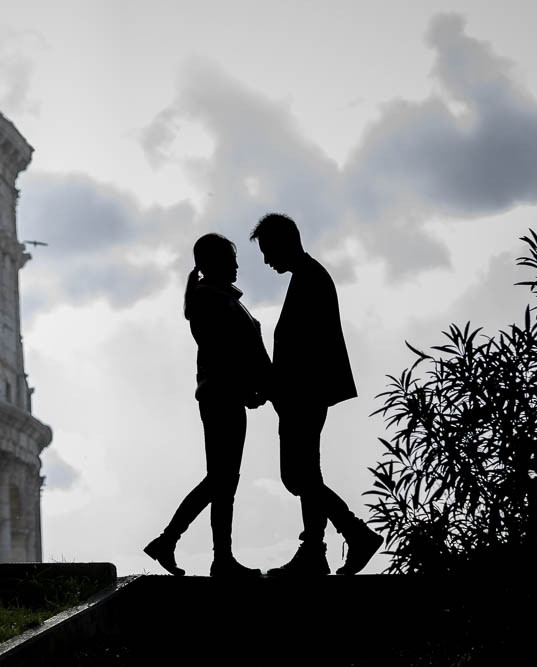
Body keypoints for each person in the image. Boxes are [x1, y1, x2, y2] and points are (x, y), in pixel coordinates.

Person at [250, 213, 382, 576]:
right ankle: (316, 549)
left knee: (298, 476)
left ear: (284, 242)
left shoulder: (310, 279)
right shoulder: (309, 277)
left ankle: (351, 534)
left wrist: (272, 385)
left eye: (267, 251)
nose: (265, 260)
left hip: (303, 397)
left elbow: (303, 351)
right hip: (302, 395)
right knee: (304, 473)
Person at [143, 233, 271, 578]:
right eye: (230, 259)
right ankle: (194, 549)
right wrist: (251, 385)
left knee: (223, 479)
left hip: (226, 395)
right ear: (210, 263)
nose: (237, 265)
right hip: (222, 396)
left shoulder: (218, 297)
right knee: (222, 479)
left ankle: (187, 547)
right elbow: (226, 350)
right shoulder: (209, 298)